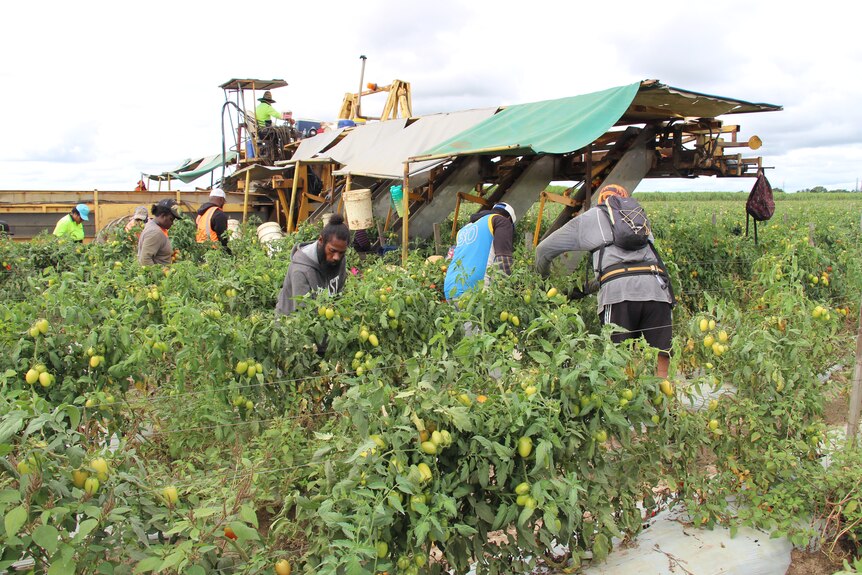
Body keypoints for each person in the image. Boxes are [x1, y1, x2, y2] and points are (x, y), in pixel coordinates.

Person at [535, 184, 674, 377]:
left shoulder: (590, 217)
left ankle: (623, 402)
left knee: (615, 360)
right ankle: (662, 403)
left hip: (618, 296)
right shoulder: (637, 219)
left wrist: (543, 285)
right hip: (657, 290)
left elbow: (543, 250)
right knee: (661, 357)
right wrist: (585, 288)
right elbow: (631, 268)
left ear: (602, 202)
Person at [275, 214, 349, 316]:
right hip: (291, 325)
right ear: (321, 241)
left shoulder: (338, 259)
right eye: (332, 250)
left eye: (341, 252)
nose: (336, 257)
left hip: (324, 317)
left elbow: (339, 293)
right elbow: (303, 313)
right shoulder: (301, 270)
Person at [443, 202, 516, 301]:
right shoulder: (501, 221)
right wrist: (512, 291)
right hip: (476, 291)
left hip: (450, 289)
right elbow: (503, 260)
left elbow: (450, 258)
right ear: (509, 219)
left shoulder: (464, 229)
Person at [137, 199, 183, 266]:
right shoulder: (155, 232)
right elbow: (145, 260)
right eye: (171, 219)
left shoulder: (156, 227)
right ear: (163, 215)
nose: (172, 223)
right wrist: (156, 275)